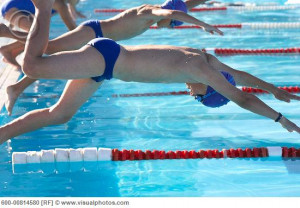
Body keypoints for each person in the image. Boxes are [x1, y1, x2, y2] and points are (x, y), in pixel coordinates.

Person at [0, 0, 299, 145]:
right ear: (209, 89)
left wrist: (273, 89)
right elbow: (242, 98)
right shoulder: (200, 70)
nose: (189, 95)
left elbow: (240, 76)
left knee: (60, 114)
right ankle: (41, 7)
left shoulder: (206, 61)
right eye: (198, 99)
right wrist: (279, 119)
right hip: (106, 58)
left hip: (106, 66)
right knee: (32, 65)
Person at [4, 0, 223, 116]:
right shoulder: (151, 12)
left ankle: (17, 84)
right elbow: (171, 13)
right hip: (94, 33)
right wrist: (202, 24)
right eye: (175, 24)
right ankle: (8, 35)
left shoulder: (150, 17)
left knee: (49, 52)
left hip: (99, 39)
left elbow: (177, 9)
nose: (172, 27)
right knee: (48, 49)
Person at [0, 0, 85, 68]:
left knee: (40, 38)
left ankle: (11, 50)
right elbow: (73, 29)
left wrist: (75, 11)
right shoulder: (60, 4)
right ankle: (6, 36)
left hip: (14, 7)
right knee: (39, 37)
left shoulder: (61, 4)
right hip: (12, 9)